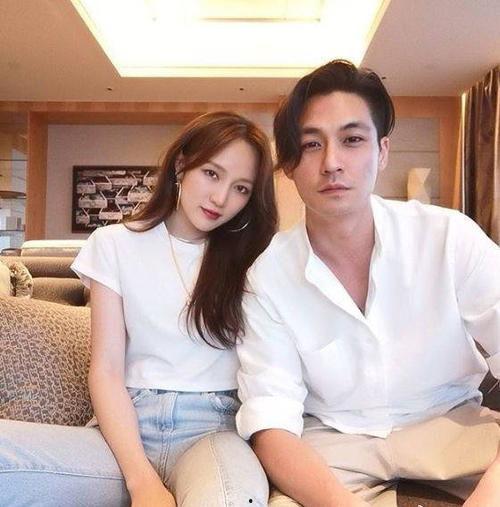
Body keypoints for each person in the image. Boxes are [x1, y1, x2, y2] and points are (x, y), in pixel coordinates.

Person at [235, 60, 500, 507]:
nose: (332, 163)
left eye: (352, 140)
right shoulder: (268, 277)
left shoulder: (448, 237)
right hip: (332, 447)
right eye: (311, 144)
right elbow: (271, 421)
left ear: (382, 151)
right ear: (289, 165)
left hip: (454, 430)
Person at [0, 111, 277, 506]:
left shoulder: (258, 259)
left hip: (214, 432)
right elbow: (107, 370)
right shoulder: (115, 244)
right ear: (181, 165)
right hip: (126, 428)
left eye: (241, 188)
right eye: (211, 174)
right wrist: (142, 481)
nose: (221, 198)